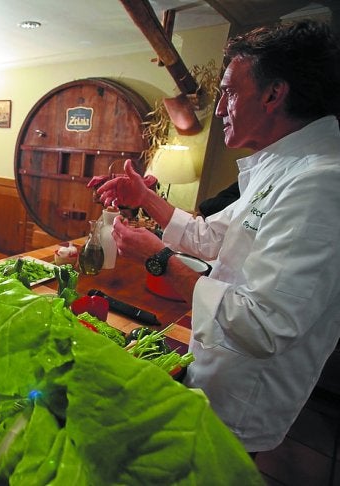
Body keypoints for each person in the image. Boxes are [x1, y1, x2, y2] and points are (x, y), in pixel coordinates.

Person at [95, 20, 340, 454]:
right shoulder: (282, 167)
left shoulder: (320, 182)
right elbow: (210, 237)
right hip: (216, 369)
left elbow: (264, 325)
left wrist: (159, 259)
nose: (222, 107)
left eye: (229, 92)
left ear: (273, 94)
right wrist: (144, 198)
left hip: (241, 399)